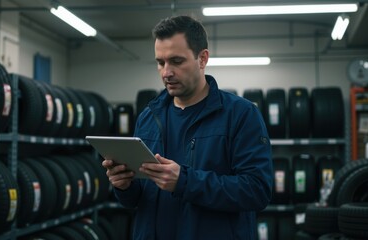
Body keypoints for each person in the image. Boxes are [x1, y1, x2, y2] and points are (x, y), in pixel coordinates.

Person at [102, 15, 273, 240]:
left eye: (176, 61)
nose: (166, 72)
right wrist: (123, 186)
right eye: (160, 62)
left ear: (202, 59)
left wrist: (185, 182)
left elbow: (257, 191)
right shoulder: (148, 117)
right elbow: (137, 200)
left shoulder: (240, 115)